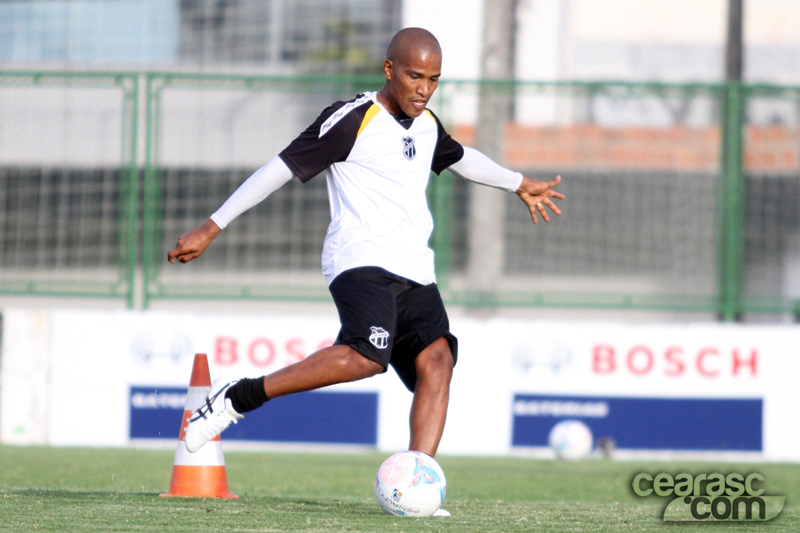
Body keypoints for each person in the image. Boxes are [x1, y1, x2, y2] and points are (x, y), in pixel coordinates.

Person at [167, 28, 563, 462]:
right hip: (360, 258)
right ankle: (237, 397)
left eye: (433, 79)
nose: (424, 89)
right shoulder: (352, 119)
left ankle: (417, 476)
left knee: (437, 362)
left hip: (414, 268)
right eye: (415, 76)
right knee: (367, 357)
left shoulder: (428, 125)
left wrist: (518, 183)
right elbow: (278, 169)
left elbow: (462, 158)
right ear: (389, 69)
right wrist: (212, 226)